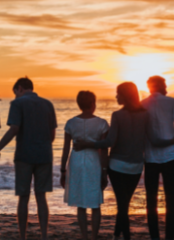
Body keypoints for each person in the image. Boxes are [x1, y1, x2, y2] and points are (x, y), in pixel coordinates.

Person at [74, 82, 174, 240]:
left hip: (117, 166)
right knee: (123, 205)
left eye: (118, 93)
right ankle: (117, 235)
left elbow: (110, 142)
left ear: (125, 95)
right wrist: (173, 140)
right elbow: (154, 140)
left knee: (122, 205)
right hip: (136, 167)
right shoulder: (145, 114)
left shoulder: (117, 115)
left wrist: (87, 144)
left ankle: (125, 236)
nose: (116, 96)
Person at [0, 78, 57, 240]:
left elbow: (14, 129)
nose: (15, 97)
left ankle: (22, 236)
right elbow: (52, 135)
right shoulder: (48, 104)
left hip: (24, 155)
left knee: (23, 197)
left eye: (15, 93)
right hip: (44, 154)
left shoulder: (18, 104)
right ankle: (44, 235)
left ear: (19, 88)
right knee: (41, 197)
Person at [59, 91, 109, 240]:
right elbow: (104, 149)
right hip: (94, 161)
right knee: (95, 203)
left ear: (79, 104)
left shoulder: (71, 123)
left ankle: (84, 236)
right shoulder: (102, 123)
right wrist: (105, 171)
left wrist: (63, 170)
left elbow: (66, 148)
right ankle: (94, 236)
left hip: (76, 161)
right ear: (93, 104)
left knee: (81, 203)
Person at [142, 75, 174, 240]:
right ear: (162, 85)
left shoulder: (142, 104)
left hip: (151, 158)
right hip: (170, 156)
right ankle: (169, 236)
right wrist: (170, 133)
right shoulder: (172, 101)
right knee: (171, 200)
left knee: (151, 200)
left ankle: (154, 236)